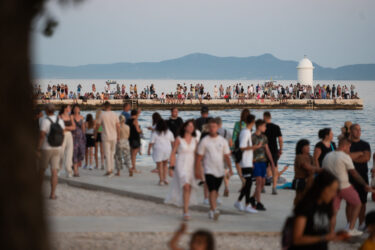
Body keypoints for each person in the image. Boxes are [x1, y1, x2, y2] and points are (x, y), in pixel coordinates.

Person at [322, 137, 370, 236]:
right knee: (357, 203)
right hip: (344, 186)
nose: (349, 149)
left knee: (334, 211)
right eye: (349, 147)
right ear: (344, 146)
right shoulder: (344, 157)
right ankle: (351, 228)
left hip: (331, 187)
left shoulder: (327, 156)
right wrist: (365, 184)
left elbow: (324, 172)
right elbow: (354, 173)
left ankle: (331, 232)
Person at [289, 170, 346, 250]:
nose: (334, 194)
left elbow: (321, 232)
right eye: (331, 190)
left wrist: (335, 236)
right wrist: (323, 238)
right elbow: (297, 239)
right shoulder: (306, 207)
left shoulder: (326, 207)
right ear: (321, 188)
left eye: (335, 191)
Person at [195, 119, 233, 220]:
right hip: (208, 169)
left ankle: (212, 208)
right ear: (208, 128)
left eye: (214, 127)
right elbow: (199, 157)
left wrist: (230, 169)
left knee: (216, 191)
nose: (212, 129)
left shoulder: (222, 141)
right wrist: (197, 170)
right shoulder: (205, 141)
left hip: (220, 170)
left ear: (218, 128)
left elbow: (227, 156)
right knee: (212, 190)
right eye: (210, 127)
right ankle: (213, 209)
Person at [165, 120, 198, 220]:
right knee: (186, 186)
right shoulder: (179, 139)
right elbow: (173, 153)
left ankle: (185, 209)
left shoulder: (195, 140)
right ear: (185, 127)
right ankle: (186, 212)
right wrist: (171, 167)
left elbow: (197, 155)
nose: (191, 128)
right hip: (181, 164)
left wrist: (199, 168)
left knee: (189, 187)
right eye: (189, 126)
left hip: (191, 165)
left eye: (193, 126)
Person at [234, 114, 261, 213]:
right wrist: (255, 147)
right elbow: (242, 147)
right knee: (248, 183)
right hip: (245, 161)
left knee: (248, 183)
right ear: (253, 122)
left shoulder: (247, 132)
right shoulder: (245, 132)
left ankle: (240, 202)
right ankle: (245, 204)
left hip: (248, 161)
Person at [38, 104, 65, 199]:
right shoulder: (60, 120)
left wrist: (38, 148)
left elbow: (42, 136)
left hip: (46, 148)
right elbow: (63, 133)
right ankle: (52, 194)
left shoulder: (45, 121)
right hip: (57, 148)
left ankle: (39, 192)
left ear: (46, 110)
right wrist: (61, 145)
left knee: (41, 170)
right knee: (54, 172)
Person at [349, 124, 372, 230]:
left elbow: (366, 158)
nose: (359, 132)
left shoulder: (365, 144)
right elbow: (344, 156)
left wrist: (351, 158)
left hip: (362, 176)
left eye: (360, 130)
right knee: (350, 202)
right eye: (356, 130)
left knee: (363, 202)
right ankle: (349, 225)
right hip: (349, 176)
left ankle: (361, 224)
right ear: (351, 131)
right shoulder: (347, 144)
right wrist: (358, 155)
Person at [249, 119, 275, 211]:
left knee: (263, 182)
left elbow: (267, 150)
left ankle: (252, 198)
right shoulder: (252, 137)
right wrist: (250, 162)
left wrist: (272, 161)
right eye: (264, 126)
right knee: (259, 181)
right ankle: (258, 202)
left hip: (263, 162)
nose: (266, 128)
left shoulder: (264, 137)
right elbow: (249, 150)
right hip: (255, 162)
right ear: (259, 127)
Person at [95, 101, 120, 177]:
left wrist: (97, 133)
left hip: (105, 136)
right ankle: (111, 168)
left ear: (104, 107)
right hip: (114, 136)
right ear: (110, 107)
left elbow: (98, 125)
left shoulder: (102, 115)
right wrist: (118, 135)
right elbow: (118, 126)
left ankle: (108, 170)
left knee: (107, 153)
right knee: (112, 153)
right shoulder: (115, 114)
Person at [148, 119, 174, 185]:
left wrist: (148, 150)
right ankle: (165, 178)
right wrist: (174, 150)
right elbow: (172, 142)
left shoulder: (155, 133)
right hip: (167, 149)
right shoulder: (169, 132)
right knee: (165, 165)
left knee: (159, 165)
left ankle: (161, 180)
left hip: (158, 150)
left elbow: (151, 142)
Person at [293, 139, 318, 205]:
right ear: (301, 148)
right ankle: (297, 210)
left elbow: (313, 167)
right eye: (306, 146)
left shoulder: (310, 157)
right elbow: (306, 166)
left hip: (309, 179)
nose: (308, 148)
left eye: (308, 146)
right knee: (299, 196)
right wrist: (320, 170)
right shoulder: (299, 157)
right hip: (300, 180)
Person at [263, 111, 283, 195]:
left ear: (264, 117)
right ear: (270, 117)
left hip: (264, 150)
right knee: (274, 168)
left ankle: (262, 187)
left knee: (263, 168)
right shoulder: (276, 127)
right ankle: (274, 187)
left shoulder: (262, 127)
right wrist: (280, 149)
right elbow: (280, 139)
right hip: (274, 150)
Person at [231, 109, 251, 181]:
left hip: (238, 146)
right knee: (245, 163)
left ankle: (242, 179)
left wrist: (231, 148)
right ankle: (246, 178)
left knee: (237, 163)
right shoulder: (249, 125)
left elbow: (234, 136)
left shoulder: (237, 124)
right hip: (246, 146)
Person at [215, 117, 232, 197]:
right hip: (225, 154)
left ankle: (216, 190)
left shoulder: (214, 132)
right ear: (221, 124)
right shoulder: (227, 132)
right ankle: (227, 187)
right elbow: (231, 144)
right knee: (225, 171)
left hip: (217, 154)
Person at [59, 105, 75, 178]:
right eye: (69, 107)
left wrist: (65, 128)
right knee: (61, 153)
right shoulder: (60, 116)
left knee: (69, 153)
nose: (70, 109)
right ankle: (58, 169)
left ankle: (69, 171)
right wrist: (68, 128)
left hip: (69, 135)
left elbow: (74, 127)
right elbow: (59, 128)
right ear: (65, 108)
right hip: (61, 135)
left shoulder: (70, 116)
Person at [71, 104, 86, 177]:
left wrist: (84, 135)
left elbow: (83, 127)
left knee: (81, 153)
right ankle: (76, 171)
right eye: (75, 108)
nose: (76, 110)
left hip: (80, 137)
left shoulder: (81, 117)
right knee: (74, 153)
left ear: (79, 110)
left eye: (78, 108)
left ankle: (75, 166)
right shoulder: (71, 117)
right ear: (73, 110)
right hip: (73, 137)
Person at [127, 109, 142, 174]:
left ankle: (132, 167)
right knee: (134, 154)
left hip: (130, 138)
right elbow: (138, 130)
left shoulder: (128, 120)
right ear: (136, 115)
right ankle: (133, 168)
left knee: (131, 154)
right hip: (135, 138)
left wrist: (138, 113)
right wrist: (141, 130)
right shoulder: (135, 121)